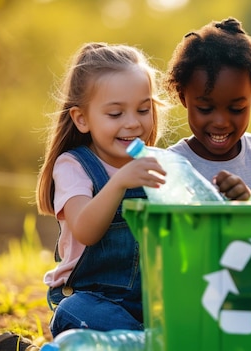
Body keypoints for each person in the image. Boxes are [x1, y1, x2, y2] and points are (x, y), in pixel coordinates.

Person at [35, 42, 169, 337]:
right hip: (91, 301)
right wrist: (120, 182)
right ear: (82, 119)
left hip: (150, 304)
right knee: (78, 313)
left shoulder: (156, 165)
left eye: (143, 109)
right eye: (115, 114)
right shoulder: (73, 165)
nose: (133, 123)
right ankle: (143, 340)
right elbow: (85, 230)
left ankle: (141, 340)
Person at [164, 17, 251, 200]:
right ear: (183, 98)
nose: (221, 122)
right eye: (205, 109)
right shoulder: (169, 166)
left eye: (236, 109)